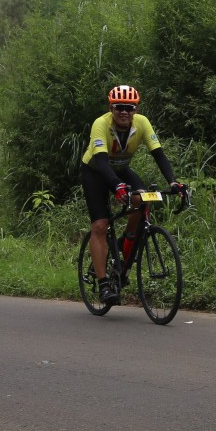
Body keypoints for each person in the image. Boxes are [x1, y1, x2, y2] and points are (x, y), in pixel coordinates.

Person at [80, 85, 185, 305]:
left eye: (129, 107)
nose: (124, 112)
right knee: (100, 225)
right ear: (111, 108)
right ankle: (104, 285)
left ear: (136, 109)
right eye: (119, 107)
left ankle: (125, 241)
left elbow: (158, 154)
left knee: (142, 199)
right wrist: (117, 185)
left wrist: (173, 181)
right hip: (96, 172)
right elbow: (101, 162)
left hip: (121, 169)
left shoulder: (142, 123)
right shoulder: (101, 124)